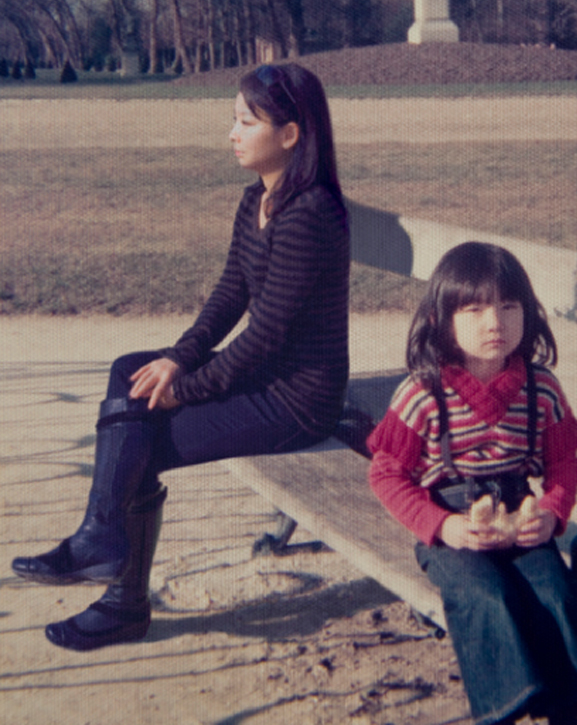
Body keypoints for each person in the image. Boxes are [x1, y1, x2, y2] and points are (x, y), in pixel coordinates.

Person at [12, 63, 350, 652]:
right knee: (130, 372)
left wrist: (185, 389)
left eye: (247, 121)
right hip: (262, 378)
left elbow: (266, 335)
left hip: (297, 401)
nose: (232, 133)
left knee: (135, 443)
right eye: (233, 121)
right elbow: (228, 297)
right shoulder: (258, 201)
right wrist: (176, 360)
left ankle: (122, 597)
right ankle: (100, 539)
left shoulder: (311, 215)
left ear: (291, 134)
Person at [367, 243, 577, 725]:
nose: (495, 322)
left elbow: (562, 464)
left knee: (557, 593)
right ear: (439, 319)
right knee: (487, 596)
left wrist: (552, 512)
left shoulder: (541, 389)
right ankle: (504, 711)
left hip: (519, 515)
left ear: (527, 314)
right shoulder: (423, 392)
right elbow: (386, 473)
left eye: (508, 307)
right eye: (474, 309)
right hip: (450, 521)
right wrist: (441, 526)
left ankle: (575, 707)